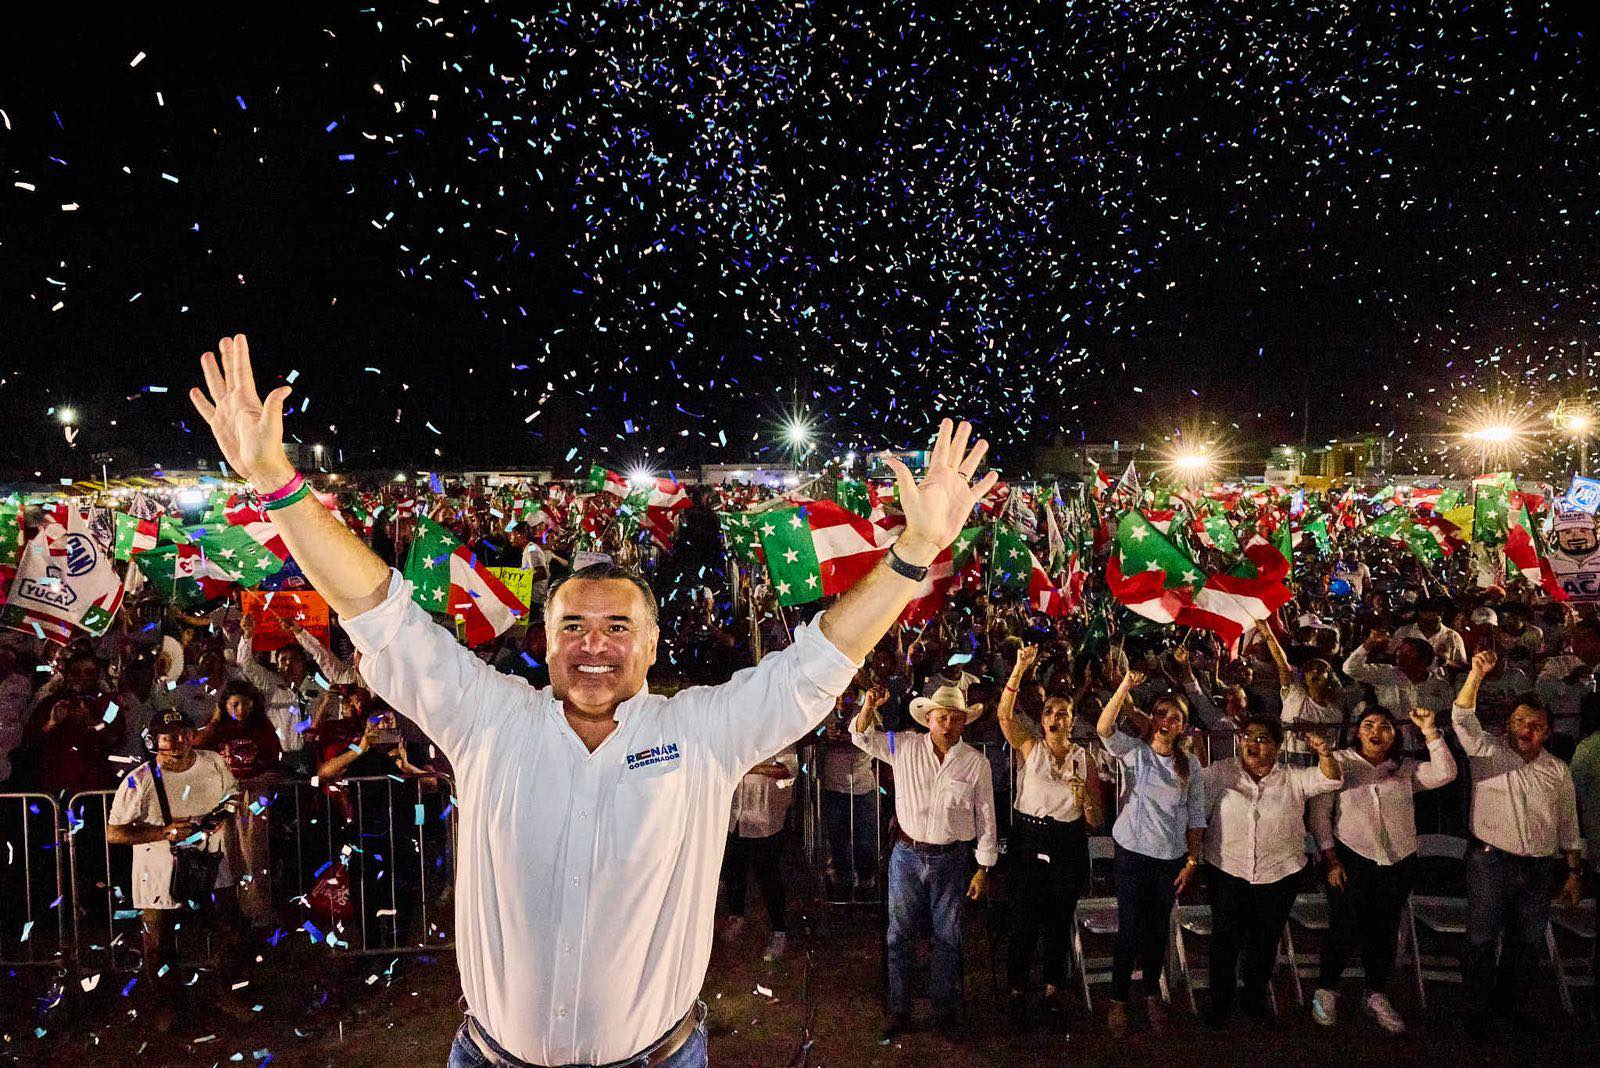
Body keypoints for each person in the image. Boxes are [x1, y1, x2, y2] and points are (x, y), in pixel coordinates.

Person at [189, 332, 998, 1068]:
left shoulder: (700, 735)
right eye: (572, 624)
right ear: (544, 640)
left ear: (651, 647)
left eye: (619, 626)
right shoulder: (489, 721)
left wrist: (916, 551)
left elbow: (820, 659)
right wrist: (275, 482)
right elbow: (380, 612)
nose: (594, 643)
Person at [852, 683, 998, 1040]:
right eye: (941, 718)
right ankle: (900, 1009)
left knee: (948, 938)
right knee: (899, 934)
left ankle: (944, 1010)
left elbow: (986, 816)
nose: (947, 725)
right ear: (928, 720)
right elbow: (862, 738)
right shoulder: (902, 745)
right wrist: (868, 705)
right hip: (906, 854)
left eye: (955, 719)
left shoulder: (976, 763)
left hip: (951, 859)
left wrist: (983, 868)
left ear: (964, 723)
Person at [1452, 650, 1584, 1037]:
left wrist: (1573, 871)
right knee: (1480, 939)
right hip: (1491, 863)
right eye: (1520, 721)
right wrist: (1476, 674)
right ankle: (1475, 1013)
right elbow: (1461, 717)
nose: (1527, 730)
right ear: (1508, 724)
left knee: (1526, 945)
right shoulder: (1488, 752)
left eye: (1537, 725)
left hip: (1539, 869)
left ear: (1549, 731)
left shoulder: (1556, 770)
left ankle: (1508, 1008)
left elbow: (1567, 824)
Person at [1307, 704, 1456, 1033]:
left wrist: (1430, 732)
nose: (1376, 731)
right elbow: (1320, 815)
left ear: (1395, 734)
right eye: (1369, 724)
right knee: (1344, 926)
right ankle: (1326, 989)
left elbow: (1446, 773)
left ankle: (1376, 993)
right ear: (1357, 731)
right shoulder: (1340, 763)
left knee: (1384, 930)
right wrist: (1330, 859)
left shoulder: (1403, 769)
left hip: (1398, 860)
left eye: (1385, 726)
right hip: (1350, 857)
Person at [1194, 716, 1341, 1027]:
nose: (1252, 743)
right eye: (1247, 736)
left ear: (1277, 746)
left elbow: (1329, 779)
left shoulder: (1293, 778)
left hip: (1280, 872)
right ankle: (1220, 1003)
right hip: (1228, 869)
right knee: (1225, 940)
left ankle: (1254, 998)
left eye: (1261, 738)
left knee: (1264, 940)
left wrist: (1325, 754)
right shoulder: (1222, 772)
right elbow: (1195, 803)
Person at [106, 709, 245, 1017]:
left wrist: (215, 820)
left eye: (184, 734)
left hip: (211, 865)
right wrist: (161, 832)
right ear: (154, 741)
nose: (179, 742)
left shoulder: (213, 762)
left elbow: (234, 796)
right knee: (158, 943)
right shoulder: (138, 780)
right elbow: (113, 832)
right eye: (169, 737)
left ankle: (228, 994)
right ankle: (166, 1006)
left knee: (230, 930)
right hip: (156, 872)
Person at [1095, 669, 1206, 1038]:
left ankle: (1151, 996)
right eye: (1161, 714)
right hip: (1132, 854)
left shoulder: (1191, 767)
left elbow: (1195, 817)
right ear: (1152, 720)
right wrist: (1125, 686)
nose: (1166, 721)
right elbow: (1104, 728)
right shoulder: (1136, 753)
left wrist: (1192, 862)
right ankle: (1117, 1000)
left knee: (1157, 931)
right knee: (1129, 929)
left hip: (1169, 859)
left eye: (1175, 718)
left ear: (1182, 729)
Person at [996, 645, 1099, 1033]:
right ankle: (1018, 991)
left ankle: (1054, 991)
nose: (1057, 717)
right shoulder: (1031, 748)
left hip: (1067, 841)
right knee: (1022, 918)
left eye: (1064, 712)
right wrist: (1020, 668)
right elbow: (1004, 715)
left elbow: (1095, 817)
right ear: (1042, 719)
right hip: (1029, 836)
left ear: (1072, 720)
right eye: (1050, 711)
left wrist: (1085, 798)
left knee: (1058, 920)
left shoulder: (1083, 757)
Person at [195, 680, 283, 927]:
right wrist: (214, 721)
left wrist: (260, 779)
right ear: (225, 705)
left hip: (252, 798)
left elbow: (274, 762)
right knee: (224, 853)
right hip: (221, 799)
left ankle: (256, 911)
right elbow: (197, 748)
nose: (240, 710)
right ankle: (227, 914)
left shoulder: (262, 727)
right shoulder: (218, 729)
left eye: (245, 704)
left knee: (253, 853)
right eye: (234, 704)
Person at [721, 744, 799, 962]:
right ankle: (736, 915)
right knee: (734, 871)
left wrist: (756, 768)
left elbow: (789, 769)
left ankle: (778, 930)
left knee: (768, 875)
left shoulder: (778, 731)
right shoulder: (736, 731)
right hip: (735, 815)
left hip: (766, 819)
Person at [818, 689, 883, 898]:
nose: (841, 700)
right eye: (837, 695)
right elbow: (813, 737)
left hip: (862, 785)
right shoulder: (824, 713)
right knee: (838, 837)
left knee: (865, 837)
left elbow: (880, 737)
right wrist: (824, 736)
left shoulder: (864, 713)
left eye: (845, 695)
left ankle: (866, 880)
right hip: (834, 785)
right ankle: (844, 881)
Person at [1255, 620, 1342, 767]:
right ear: (1304, 678)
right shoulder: (1295, 694)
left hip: (1318, 765)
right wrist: (1267, 633)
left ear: (1330, 677)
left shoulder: (1336, 713)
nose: (1314, 671)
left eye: (1320, 668)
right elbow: (1282, 664)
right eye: (1310, 668)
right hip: (1287, 761)